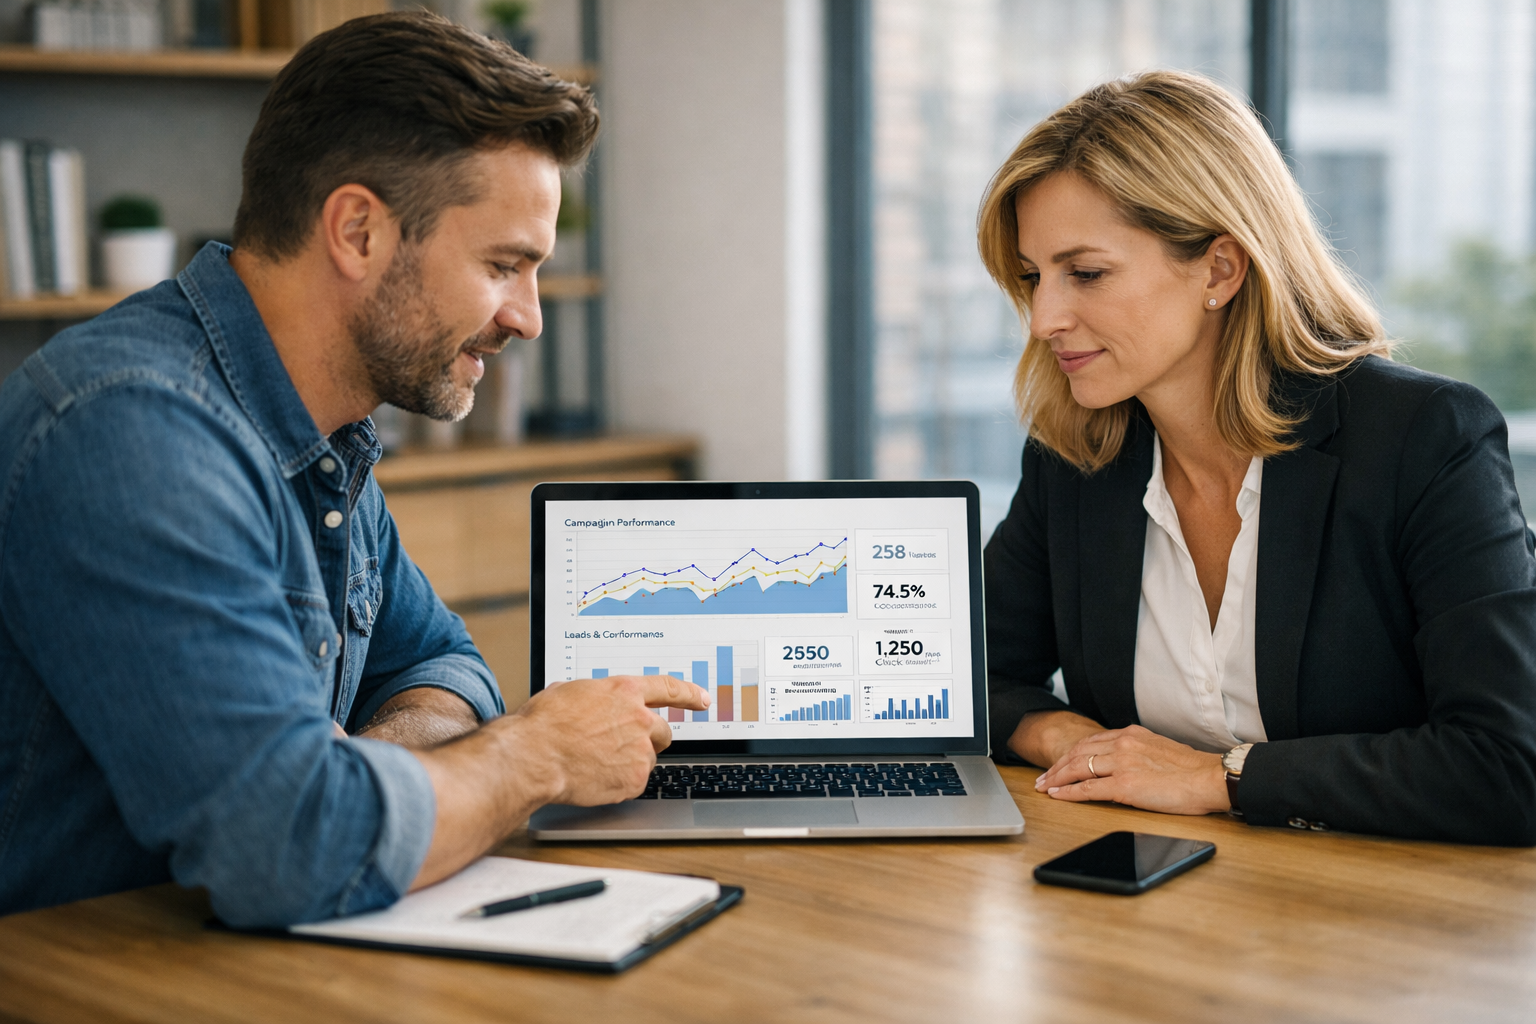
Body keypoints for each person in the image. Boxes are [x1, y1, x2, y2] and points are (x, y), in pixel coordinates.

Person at [0, 12, 706, 925]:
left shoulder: (319, 435)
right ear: (359, 232)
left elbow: (444, 662)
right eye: (504, 265)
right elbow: (290, 846)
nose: (528, 316)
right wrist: (537, 756)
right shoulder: (133, 434)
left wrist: (374, 778)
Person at [979, 69, 1536, 845]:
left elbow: (1509, 766)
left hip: (1380, 929)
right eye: (1034, 277)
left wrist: (1219, 778)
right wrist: (1061, 736)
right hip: (1149, 912)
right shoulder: (1078, 458)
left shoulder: (1423, 439)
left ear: (1219, 268)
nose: (1043, 318)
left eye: (1087, 273)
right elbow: (966, 678)